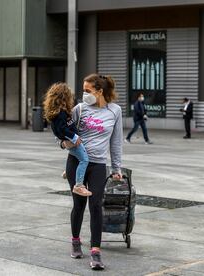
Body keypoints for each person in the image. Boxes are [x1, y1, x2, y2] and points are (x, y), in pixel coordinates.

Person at [61, 74, 123, 270]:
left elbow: (116, 142)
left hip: (98, 165)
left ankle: (95, 252)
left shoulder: (115, 111)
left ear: (100, 91)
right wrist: (63, 143)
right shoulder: (79, 109)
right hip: (76, 162)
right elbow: (62, 130)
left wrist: (116, 168)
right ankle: (76, 241)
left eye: (87, 91)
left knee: (95, 205)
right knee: (78, 204)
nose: (84, 94)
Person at [43, 82, 91, 197]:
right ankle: (79, 185)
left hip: (71, 141)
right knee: (84, 160)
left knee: (77, 156)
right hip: (73, 141)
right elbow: (62, 129)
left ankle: (68, 172)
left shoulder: (60, 112)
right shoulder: (60, 114)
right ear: (63, 97)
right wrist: (74, 137)